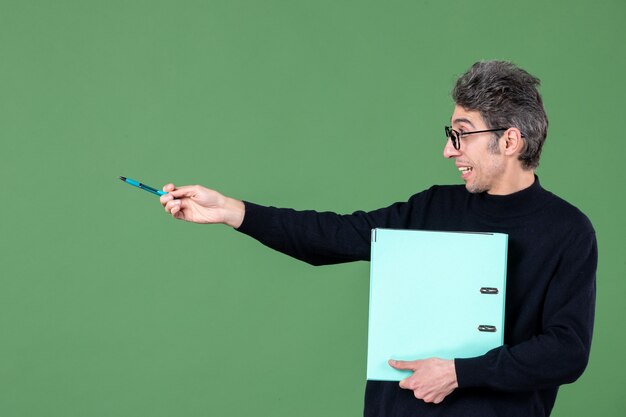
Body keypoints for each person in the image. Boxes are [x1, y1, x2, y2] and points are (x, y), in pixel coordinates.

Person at [159, 61, 597, 417]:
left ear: (510, 141)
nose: (449, 150)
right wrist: (232, 211)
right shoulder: (431, 208)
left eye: (461, 134)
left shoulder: (569, 231)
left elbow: (566, 351)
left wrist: (460, 373)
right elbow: (334, 236)